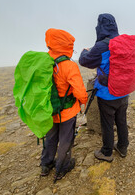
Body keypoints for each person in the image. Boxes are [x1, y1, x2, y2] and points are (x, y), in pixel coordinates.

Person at [79, 13, 129, 162]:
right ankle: (122, 146)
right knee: (121, 120)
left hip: (107, 94)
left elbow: (85, 61)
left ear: (100, 27)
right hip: (124, 90)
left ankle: (106, 152)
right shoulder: (123, 42)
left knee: (107, 123)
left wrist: (85, 51)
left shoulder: (102, 46)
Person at [41, 28, 88, 179]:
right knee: (66, 140)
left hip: (49, 110)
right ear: (67, 46)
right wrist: (83, 102)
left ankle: (46, 165)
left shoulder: (43, 62)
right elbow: (79, 90)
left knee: (50, 137)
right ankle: (62, 168)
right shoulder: (69, 65)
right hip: (67, 112)